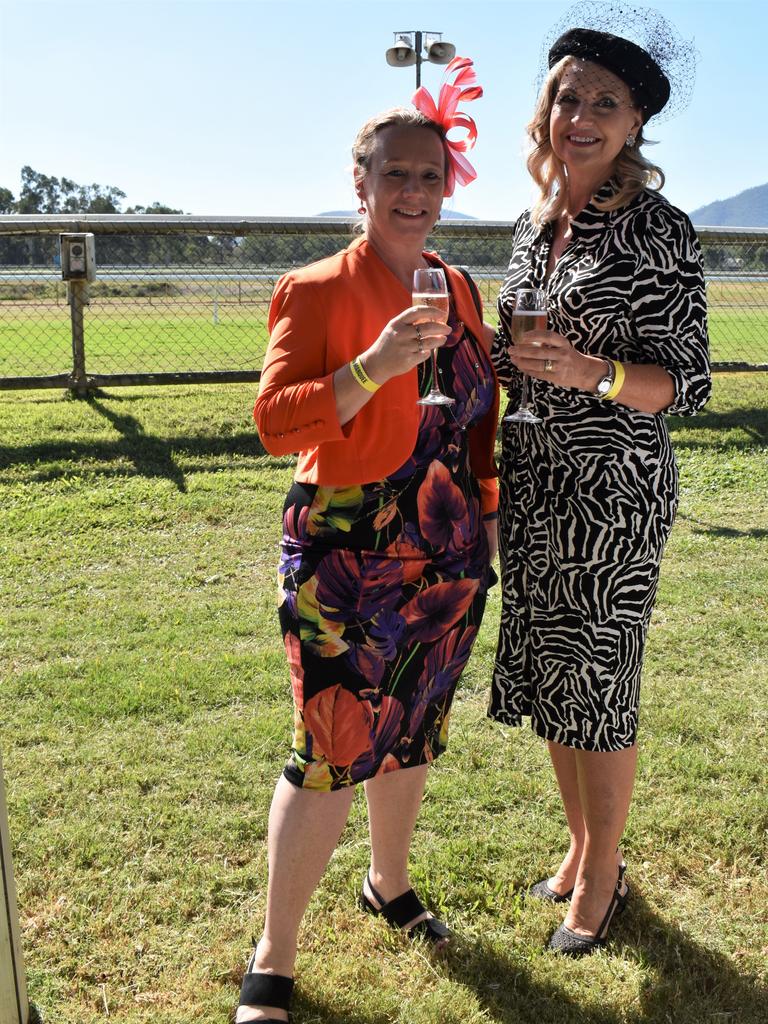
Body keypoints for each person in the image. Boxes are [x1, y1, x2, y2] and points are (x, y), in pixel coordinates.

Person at [237, 58, 499, 1022]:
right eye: (397, 174)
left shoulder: (457, 284)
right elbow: (275, 423)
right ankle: (276, 955)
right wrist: (371, 364)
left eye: (432, 177)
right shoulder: (314, 289)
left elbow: (478, 410)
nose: (416, 193)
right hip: (347, 548)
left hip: (448, 547)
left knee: (415, 725)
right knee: (329, 746)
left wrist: (489, 503)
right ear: (362, 184)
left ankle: (388, 884)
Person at [489, 3, 711, 957]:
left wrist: (595, 374)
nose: (578, 116)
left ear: (633, 126)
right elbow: (512, 354)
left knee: (601, 683)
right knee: (552, 679)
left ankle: (604, 878)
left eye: (603, 104)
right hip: (532, 477)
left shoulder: (659, 229)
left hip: (611, 494)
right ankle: (582, 847)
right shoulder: (535, 225)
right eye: (566, 97)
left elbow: (689, 381)